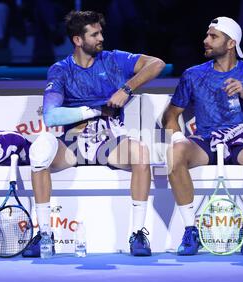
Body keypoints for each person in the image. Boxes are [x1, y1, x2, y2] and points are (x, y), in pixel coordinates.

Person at [22, 10, 165, 257]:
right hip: (73, 142)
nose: (101, 38)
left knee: (141, 154)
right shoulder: (60, 70)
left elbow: (157, 64)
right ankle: (44, 233)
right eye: (94, 34)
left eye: (101, 32)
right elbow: (51, 116)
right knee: (40, 153)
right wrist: (94, 110)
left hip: (108, 139)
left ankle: (138, 234)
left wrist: (126, 89)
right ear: (78, 40)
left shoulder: (113, 59)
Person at [162, 17, 243, 256]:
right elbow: (170, 116)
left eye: (213, 36)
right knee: (175, 154)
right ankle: (190, 230)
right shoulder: (192, 75)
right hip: (205, 141)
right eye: (207, 35)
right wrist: (177, 139)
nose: (206, 40)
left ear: (230, 43)